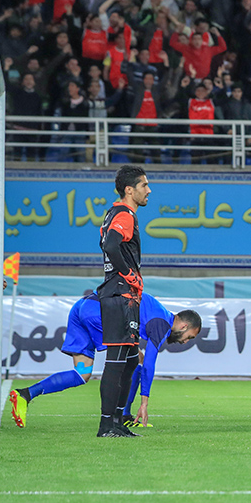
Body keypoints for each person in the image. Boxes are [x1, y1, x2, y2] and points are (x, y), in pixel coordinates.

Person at [7, 295, 201, 429]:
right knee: (131, 362)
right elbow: (149, 367)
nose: (185, 342)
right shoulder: (162, 324)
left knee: (82, 374)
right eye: (189, 337)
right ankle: (122, 417)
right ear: (184, 326)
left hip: (82, 307)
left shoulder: (156, 313)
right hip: (99, 313)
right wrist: (145, 402)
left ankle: (25, 395)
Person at [95, 165, 150, 438]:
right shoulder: (125, 215)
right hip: (120, 295)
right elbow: (111, 245)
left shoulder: (113, 214)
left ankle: (117, 420)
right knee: (117, 362)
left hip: (122, 295)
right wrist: (129, 275)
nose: (148, 190)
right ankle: (107, 424)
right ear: (130, 190)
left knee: (129, 361)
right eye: (144, 185)